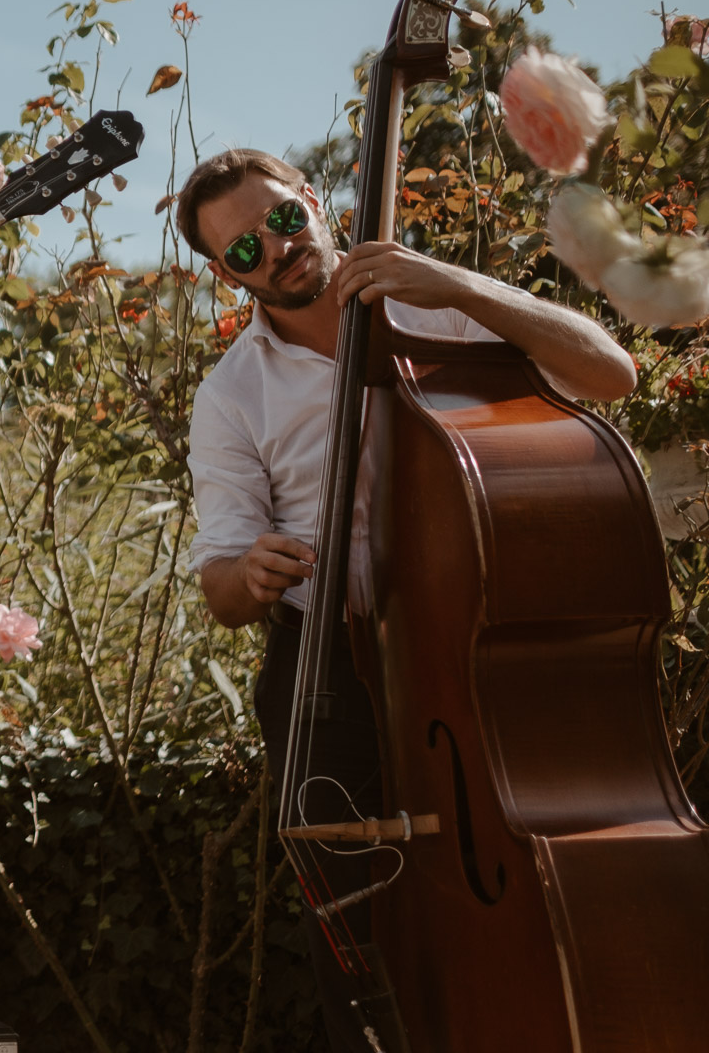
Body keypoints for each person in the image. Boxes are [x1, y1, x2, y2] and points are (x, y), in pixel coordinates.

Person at [178, 148, 635, 1051]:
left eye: (281, 220)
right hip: (334, 661)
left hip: (485, 640)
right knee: (356, 923)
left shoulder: (433, 300)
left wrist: (462, 283)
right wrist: (252, 574)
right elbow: (222, 582)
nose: (275, 249)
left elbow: (608, 372)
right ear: (222, 273)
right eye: (242, 253)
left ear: (311, 200)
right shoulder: (231, 395)